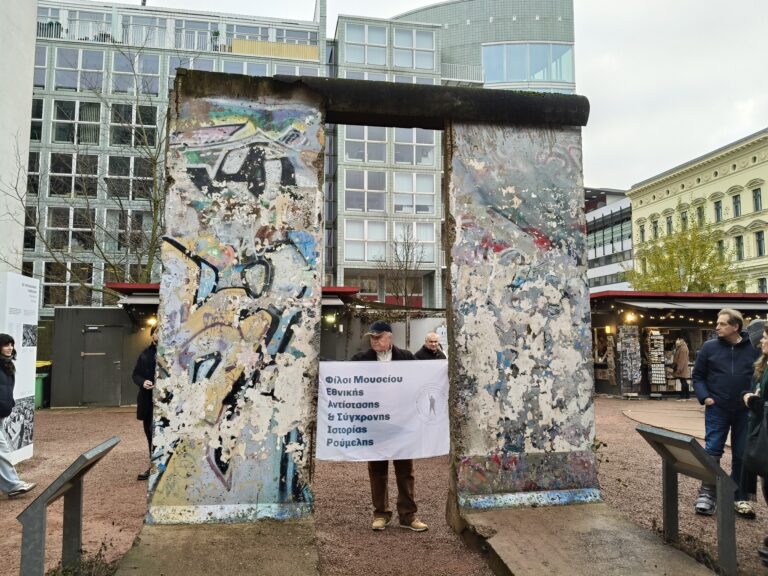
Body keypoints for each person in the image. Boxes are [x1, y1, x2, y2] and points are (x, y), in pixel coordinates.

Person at [350, 320, 428, 532]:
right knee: (377, 470)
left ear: (389, 337)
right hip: (375, 423)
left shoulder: (407, 358)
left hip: (402, 422)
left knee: (405, 470)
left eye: (378, 337)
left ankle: (408, 515)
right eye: (372, 338)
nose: (374, 341)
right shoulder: (360, 360)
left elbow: (424, 378)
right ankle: (380, 513)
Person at [693, 308, 758, 518]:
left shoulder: (753, 349)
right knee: (712, 450)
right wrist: (705, 397)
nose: (717, 327)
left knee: (741, 453)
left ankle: (739, 497)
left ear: (735, 326)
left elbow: (759, 374)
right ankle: (707, 494)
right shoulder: (709, 347)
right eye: (717, 323)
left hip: (744, 410)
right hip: (717, 408)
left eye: (722, 324)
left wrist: (754, 396)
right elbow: (698, 376)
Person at [0, 333, 36, 497]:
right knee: (2, 450)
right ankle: (13, 485)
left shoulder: (7, 365)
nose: (10, 348)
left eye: (11, 344)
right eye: (5, 345)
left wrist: (10, 403)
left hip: (2, 414)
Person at [132, 325, 157, 481]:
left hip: (167, 403)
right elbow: (135, 375)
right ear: (152, 335)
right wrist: (143, 382)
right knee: (150, 433)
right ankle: (153, 466)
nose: (159, 335)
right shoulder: (145, 354)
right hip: (148, 401)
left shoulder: (173, 353)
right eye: (157, 332)